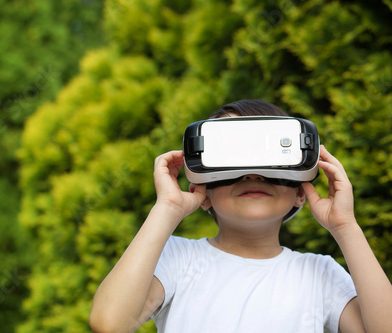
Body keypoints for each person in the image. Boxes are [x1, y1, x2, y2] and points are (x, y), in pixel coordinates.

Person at [89, 99, 392, 333]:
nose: (252, 174)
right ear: (203, 193)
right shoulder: (177, 259)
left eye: (270, 159)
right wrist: (166, 208)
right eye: (232, 157)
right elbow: (110, 323)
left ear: (301, 190)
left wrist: (346, 227)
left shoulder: (320, 274)